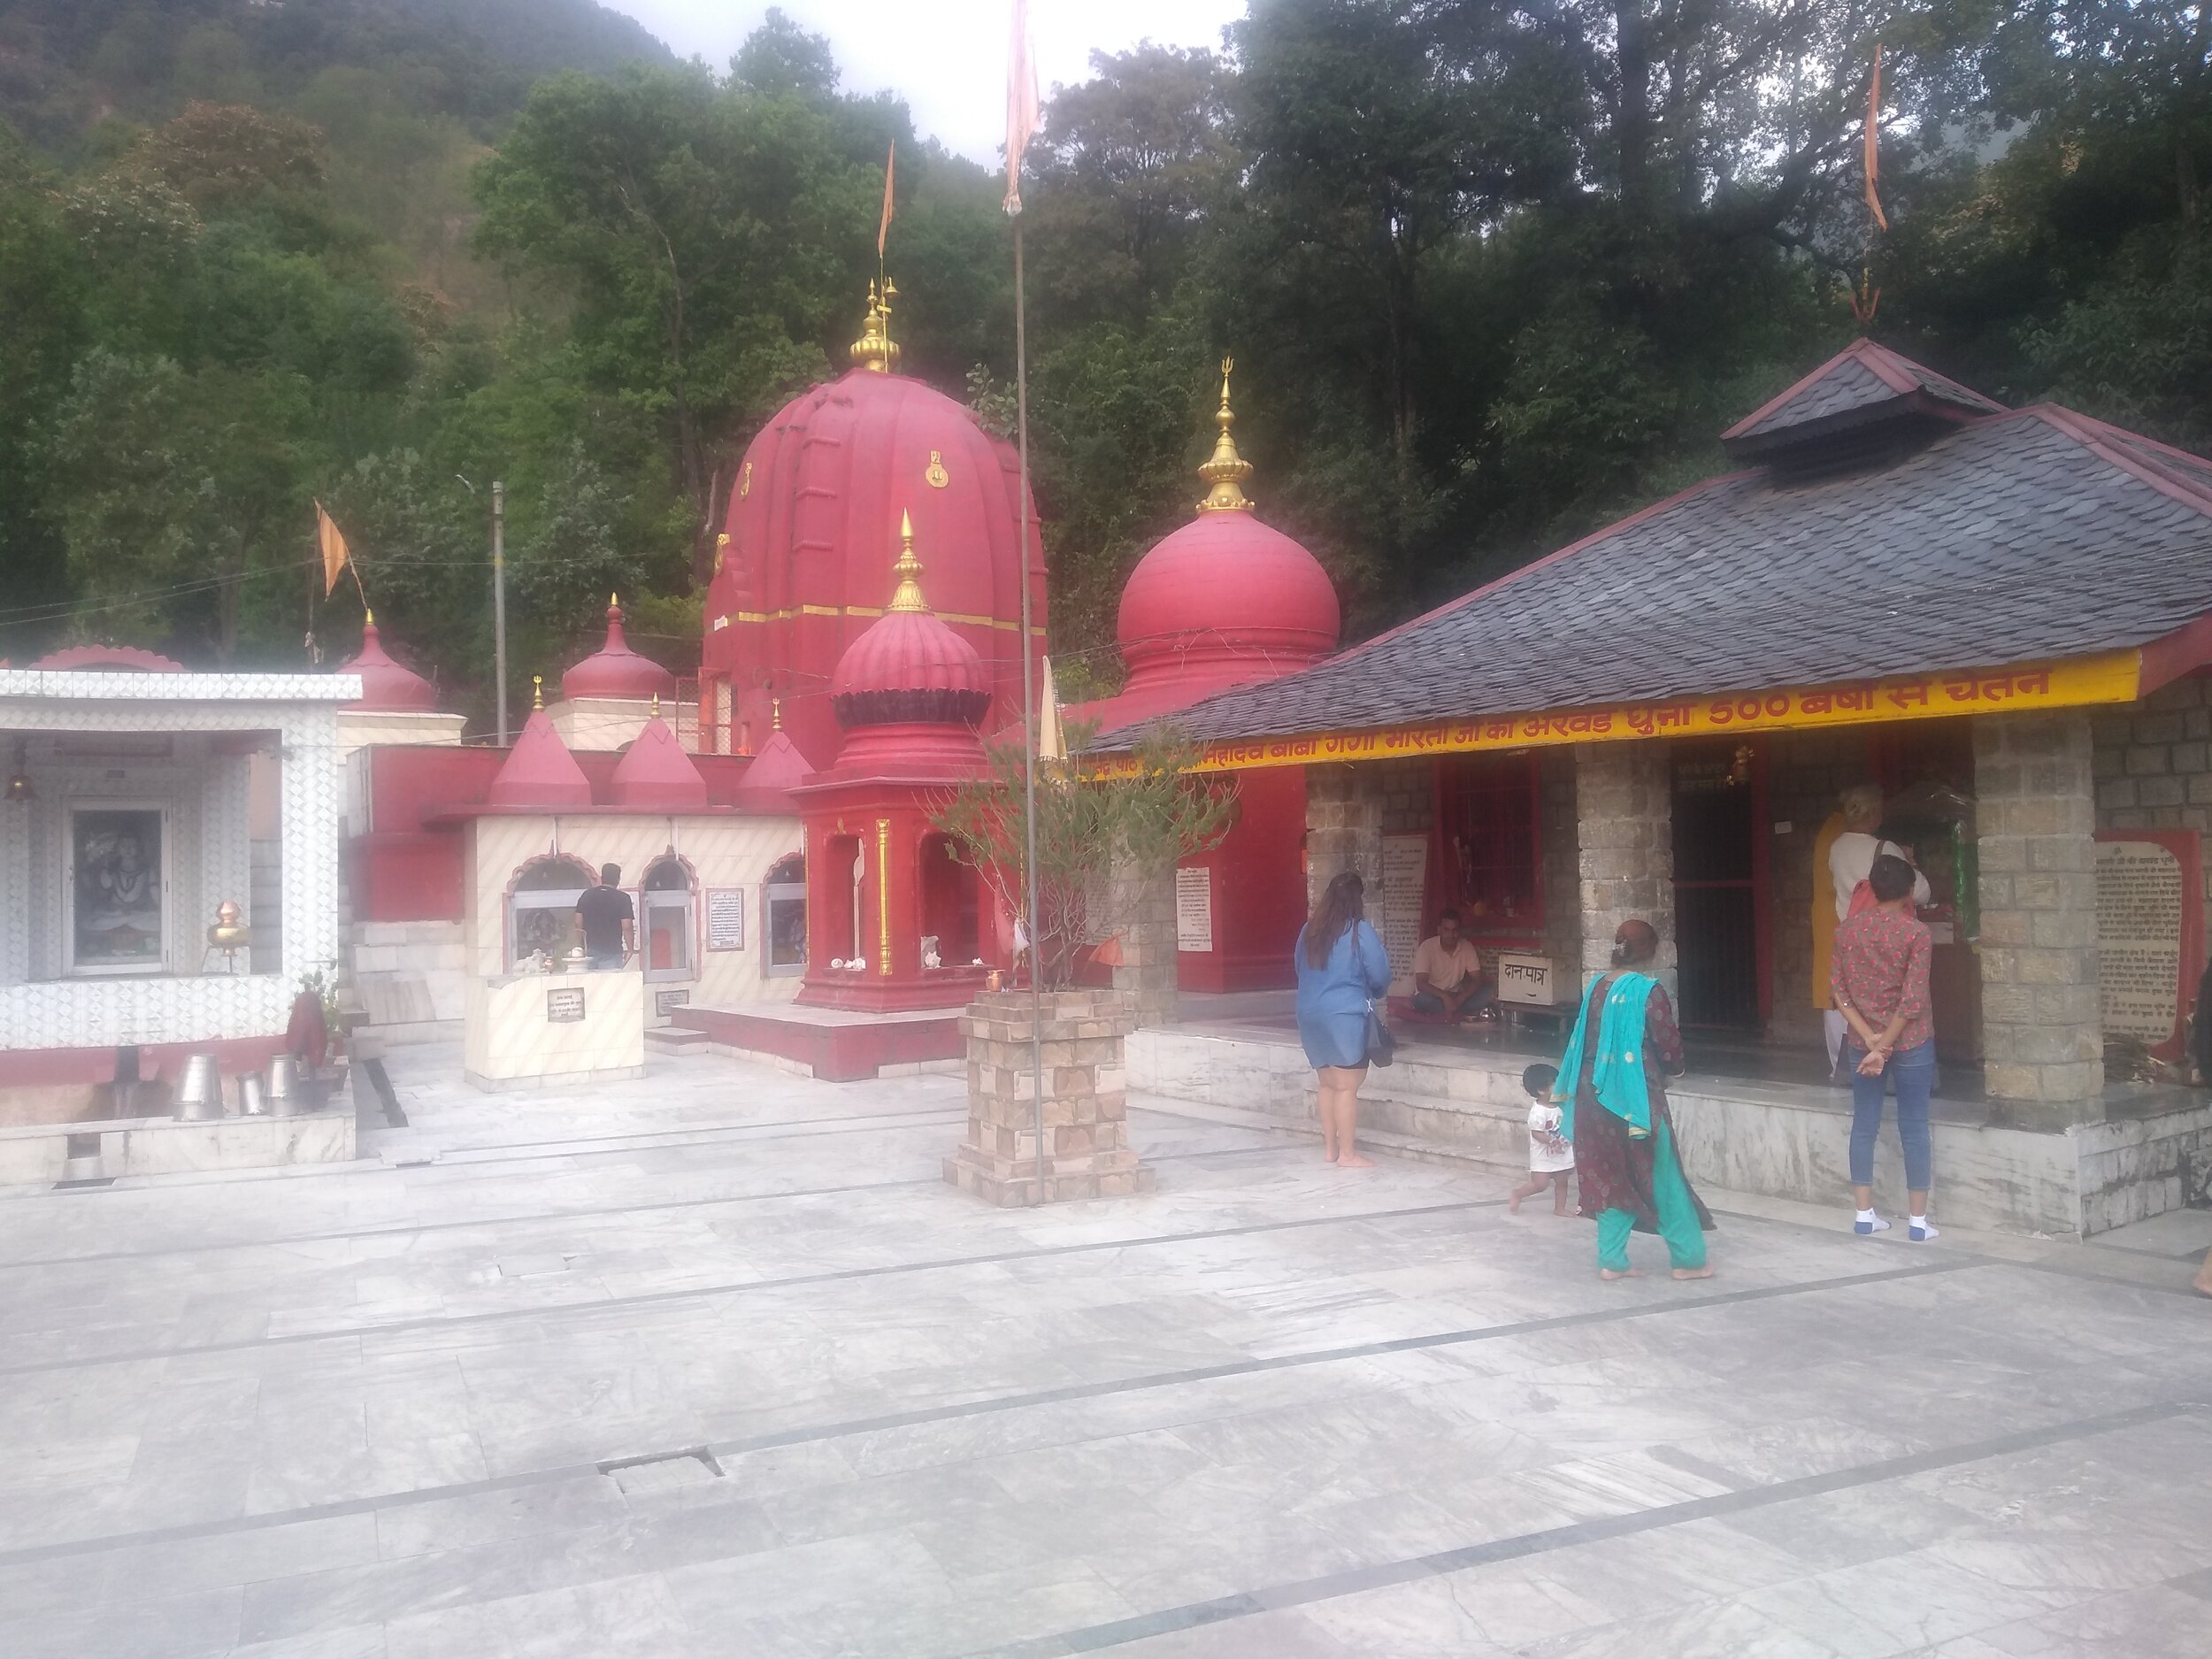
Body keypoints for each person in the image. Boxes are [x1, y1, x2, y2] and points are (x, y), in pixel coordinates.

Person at [1555, 918, 1715, 1279]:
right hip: (1635, 1097)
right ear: (1651, 950)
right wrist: (1674, 1070)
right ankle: (1689, 1259)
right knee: (1662, 1173)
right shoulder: (1647, 991)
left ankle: (1612, 1261)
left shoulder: (1596, 986)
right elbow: (1669, 1046)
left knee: (1608, 1174)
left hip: (1591, 1093)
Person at [1831, 853, 1939, 1240]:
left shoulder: (1847, 931)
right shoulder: (1916, 934)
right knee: (1913, 1125)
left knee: (1865, 1122)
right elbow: (1912, 1002)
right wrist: (1886, 1046)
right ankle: (1918, 1223)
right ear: (1909, 891)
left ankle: (1864, 1215)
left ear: (1872, 889)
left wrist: (1871, 1040)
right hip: (1910, 1042)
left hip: (1865, 1041)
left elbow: (1839, 993)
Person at [1824, 784, 1931, 1079]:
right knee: (1895, 1004)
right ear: (1875, 814)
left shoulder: (1836, 847)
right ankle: (1893, 1063)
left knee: (1857, 1004)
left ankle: (1855, 1063)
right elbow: (1920, 892)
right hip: (1890, 936)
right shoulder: (1885, 848)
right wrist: (1910, 863)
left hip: (1854, 936)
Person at [1294, 871, 1393, 1169]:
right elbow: (1379, 974)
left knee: (1326, 1083)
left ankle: (1330, 1149)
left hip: (1309, 1013)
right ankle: (1348, 1154)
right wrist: (1374, 991)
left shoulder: (1308, 930)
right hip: (1344, 1015)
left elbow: (1298, 967)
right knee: (1347, 1086)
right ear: (1357, 899)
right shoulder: (1359, 930)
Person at [1509, 1063, 1574, 1215]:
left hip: (1562, 1151)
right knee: (1540, 1184)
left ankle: (1560, 1208)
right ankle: (1518, 1193)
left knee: (1562, 1180)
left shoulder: (1562, 1105)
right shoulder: (1538, 1112)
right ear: (1541, 1090)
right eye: (1555, 1083)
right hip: (1543, 1154)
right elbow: (1536, 1133)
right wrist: (1551, 1140)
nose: (1560, 1085)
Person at [1411, 910, 1490, 1020]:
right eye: (1446, 930)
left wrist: (1459, 999)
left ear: (1459, 931)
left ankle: (1450, 1011)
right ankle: (1458, 1013)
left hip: (1456, 996)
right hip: (1433, 996)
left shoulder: (1466, 946)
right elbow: (1421, 984)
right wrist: (1444, 996)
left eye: (1455, 930)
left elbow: (1477, 979)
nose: (1451, 935)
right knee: (1421, 1000)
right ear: (1439, 930)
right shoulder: (1426, 947)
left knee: (1487, 992)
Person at [576, 864, 634, 970]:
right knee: (610, 985)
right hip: (612, 951)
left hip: (591, 950)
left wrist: (582, 945)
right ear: (618, 879)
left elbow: (578, 922)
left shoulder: (587, 895)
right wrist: (630, 949)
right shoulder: (623, 898)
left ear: (601, 877)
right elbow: (627, 927)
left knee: (592, 984)